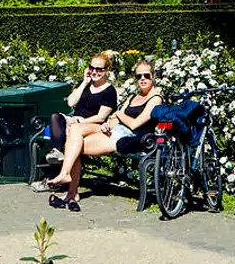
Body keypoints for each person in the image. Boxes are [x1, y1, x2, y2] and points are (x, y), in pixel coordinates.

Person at [44, 60, 162, 211]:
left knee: (74, 146)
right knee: (75, 133)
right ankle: (66, 177)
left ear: (153, 76)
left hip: (128, 138)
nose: (142, 79)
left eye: (146, 75)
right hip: (114, 131)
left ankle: (71, 191)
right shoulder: (134, 96)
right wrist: (110, 123)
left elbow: (135, 124)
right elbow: (113, 118)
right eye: (139, 76)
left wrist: (118, 115)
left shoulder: (155, 99)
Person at [47, 51, 119, 159]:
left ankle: (60, 157)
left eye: (99, 69)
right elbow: (71, 102)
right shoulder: (84, 84)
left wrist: (79, 121)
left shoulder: (109, 91)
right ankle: (59, 153)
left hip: (91, 125)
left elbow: (100, 117)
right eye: (91, 68)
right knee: (55, 117)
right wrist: (85, 82)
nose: (94, 72)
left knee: (71, 130)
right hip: (74, 121)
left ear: (107, 70)